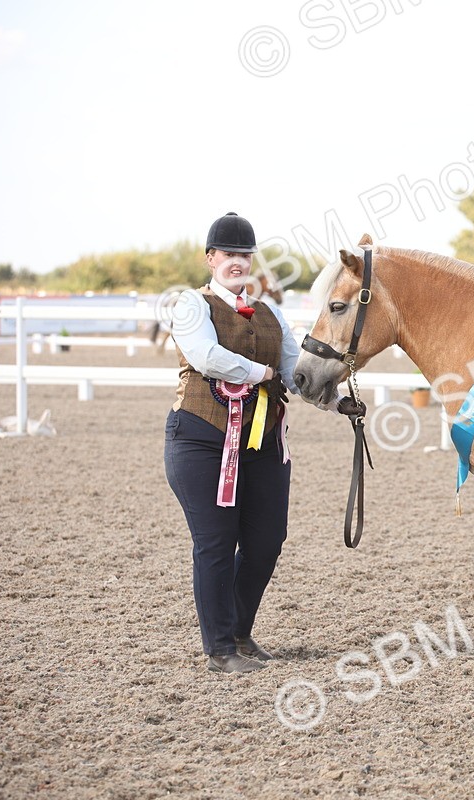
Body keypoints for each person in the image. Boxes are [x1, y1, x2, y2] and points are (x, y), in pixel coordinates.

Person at [164, 212, 300, 674]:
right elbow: (205, 355)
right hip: (202, 438)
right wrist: (261, 373)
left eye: (245, 254)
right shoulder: (190, 304)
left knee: (266, 541)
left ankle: (240, 634)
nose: (238, 262)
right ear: (211, 259)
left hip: (260, 441)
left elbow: (295, 370)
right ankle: (219, 648)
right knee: (216, 542)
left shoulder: (270, 312)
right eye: (229, 254)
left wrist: (338, 398)